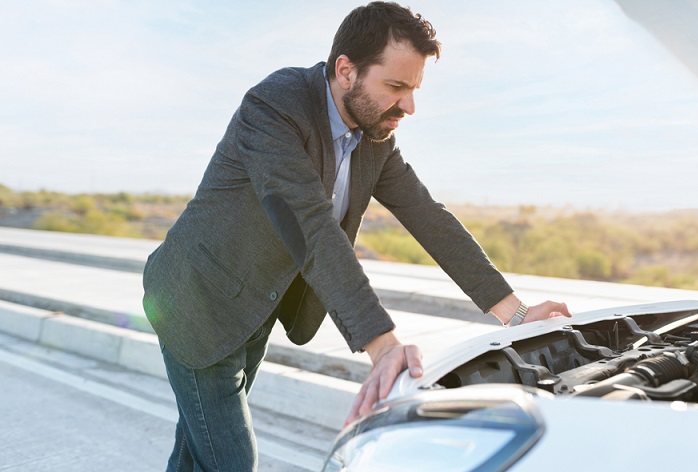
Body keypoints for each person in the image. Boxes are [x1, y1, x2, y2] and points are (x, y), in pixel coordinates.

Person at [142, 2, 571, 470]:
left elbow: (428, 217)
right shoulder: (274, 107)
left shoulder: (375, 138)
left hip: (253, 309)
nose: (409, 105)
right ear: (346, 70)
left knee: (197, 451)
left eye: (413, 89)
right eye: (396, 86)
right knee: (231, 461)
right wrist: (382, 345)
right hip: (197, 302)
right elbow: (308, 225)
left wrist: (518, 313)